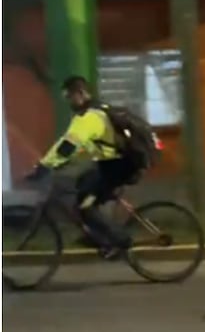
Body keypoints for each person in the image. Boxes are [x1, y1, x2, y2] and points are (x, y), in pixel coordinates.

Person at [24, 76, 136, 258]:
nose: (68, 101)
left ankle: (120, 241)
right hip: (109, 164)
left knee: (85, 207)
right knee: (82, 185)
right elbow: (78, 145)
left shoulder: (89, 117)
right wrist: (60, 162)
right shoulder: (94, 111)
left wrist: (44, 166)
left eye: (70, 96)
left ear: (81, 93)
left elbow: (68, 145)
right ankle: (98, 236)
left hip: (117, 167)